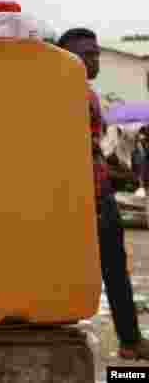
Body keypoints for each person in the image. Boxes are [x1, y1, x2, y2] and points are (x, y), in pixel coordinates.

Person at [58, 27, 149, 360]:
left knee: (111, 269)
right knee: (110, 269)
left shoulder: (84, 93)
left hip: (96, 193)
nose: (95, 58)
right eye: (87, 54)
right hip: (89, 199)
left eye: (97, 52)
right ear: (67, 59)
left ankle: (128, 340)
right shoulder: (69, 95)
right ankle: (128, 343)